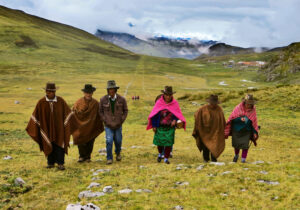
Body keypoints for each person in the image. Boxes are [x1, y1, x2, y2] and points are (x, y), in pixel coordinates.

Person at [26, 83, 74, 170]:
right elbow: (36, 115)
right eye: (48, 91)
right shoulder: (41, 102)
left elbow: (68, 114)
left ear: (55, 91)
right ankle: (50, 163)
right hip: (46, 128)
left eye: (51, 91)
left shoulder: (60, 101)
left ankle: (60, 163)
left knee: (60, 144)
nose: (49, 93)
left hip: (59, 128)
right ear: (46, 91)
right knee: (48, 142)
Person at [147, 86, 186, 164]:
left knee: (168, 143)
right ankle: (160, 153)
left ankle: (166, 158)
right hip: (160, 126)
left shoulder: (175, 103)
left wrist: (174, 120)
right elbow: (154, 114)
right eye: (166, 95)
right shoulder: (159, 102)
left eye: (169, 95)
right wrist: (154, 125)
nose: (168, 97)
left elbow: (177, 114)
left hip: (170, 127)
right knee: (160, 142)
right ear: (163, 94)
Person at [72, 84, 104, 163]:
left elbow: (100, 113)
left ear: (92, 93)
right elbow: (74, 112)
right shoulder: (78, 102)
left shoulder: (96, 103)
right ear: (84, 93)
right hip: (81, 126)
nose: (88, 94)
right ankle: (81, 156)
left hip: (91, 125)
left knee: (90, 140)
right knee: (80, 139)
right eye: (87, 92)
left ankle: (88, 157)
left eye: (90, 92)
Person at [99, 80, 128, 165]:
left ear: (115, 90)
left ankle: (118, 153)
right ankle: (109, 158)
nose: (111, 91)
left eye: (113, 89)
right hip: (108, 125)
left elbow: (125, 110)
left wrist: (121, 120)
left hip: (118, 125)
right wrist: (104, 120)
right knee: (109, 140)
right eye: (109, 89)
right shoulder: (103, 99)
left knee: (118, 140)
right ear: (107, 90)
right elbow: (100, 111)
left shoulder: (122, 99)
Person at [225, 94, 259, 163]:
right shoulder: (238, 107)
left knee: (245, 145)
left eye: (250, 104)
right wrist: (240, 119)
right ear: (244, 102)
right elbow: (232, 118)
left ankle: (243, 160)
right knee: (236, 144)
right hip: (236, 130)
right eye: (248, 103)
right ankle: (236, 155)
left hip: (247, 130)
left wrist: (255, 132)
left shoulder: (253, 110)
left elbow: (254, 121)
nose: (249, 105)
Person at [192, 95, 226, 162]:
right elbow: (196, 115)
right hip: (205, 131)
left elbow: (222, 120)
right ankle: (206, 159)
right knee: (205, 145)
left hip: (216, 131)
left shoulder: (219, 109)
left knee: (215, 145)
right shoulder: (203, 109)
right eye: (212, 103)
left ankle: (214, 158)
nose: (213, 105)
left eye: (215, 103)